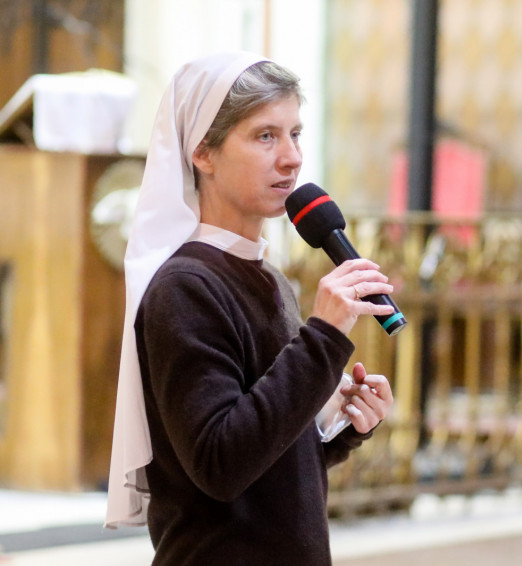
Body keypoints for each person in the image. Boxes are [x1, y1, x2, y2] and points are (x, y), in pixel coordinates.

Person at [105, 51, 395, 566]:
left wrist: (339, 426)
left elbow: (268, 471)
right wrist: (323, 337)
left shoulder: (270, 279)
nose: (292, 158)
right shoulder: (185, 286)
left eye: (295, 134)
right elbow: (220, 465)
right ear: (203, 152)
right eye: (265, 136)